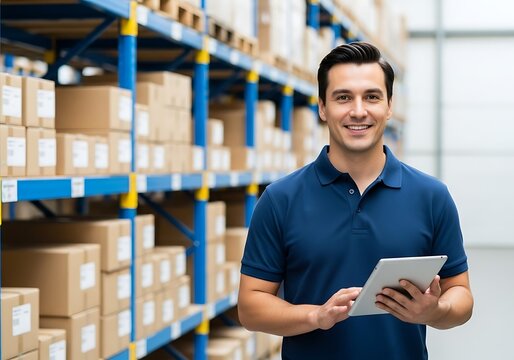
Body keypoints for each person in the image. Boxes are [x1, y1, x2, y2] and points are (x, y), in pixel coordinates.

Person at [237, 42, 473, 359]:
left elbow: (462, 296)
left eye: (372, 97)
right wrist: (315, 316)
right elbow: (251, 307)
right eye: (343, 97)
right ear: (322, 107)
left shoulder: (431, 196)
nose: (359, 111)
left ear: (389, 106)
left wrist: (433, 310)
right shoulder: (281, 199)